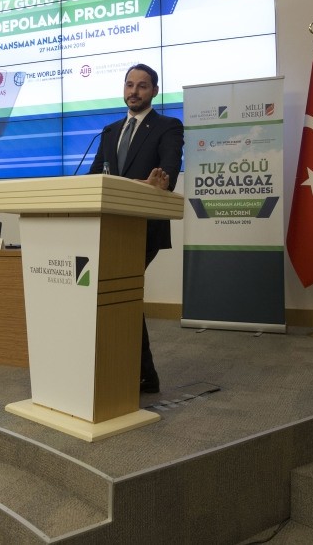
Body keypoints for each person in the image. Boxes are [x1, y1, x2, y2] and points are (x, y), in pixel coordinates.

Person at [89, 63, 184, 394]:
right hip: (110, 227)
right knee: (119, 293)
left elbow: (166, 175)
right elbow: (93, 179)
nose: (134, 91)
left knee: (117, 288)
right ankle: (143, 373)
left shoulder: (168, 126)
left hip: (144, 227)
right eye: (129, 84)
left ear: (154, 91)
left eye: (142, 86)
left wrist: (158, 182)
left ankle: (140, 371)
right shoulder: (109, 131)